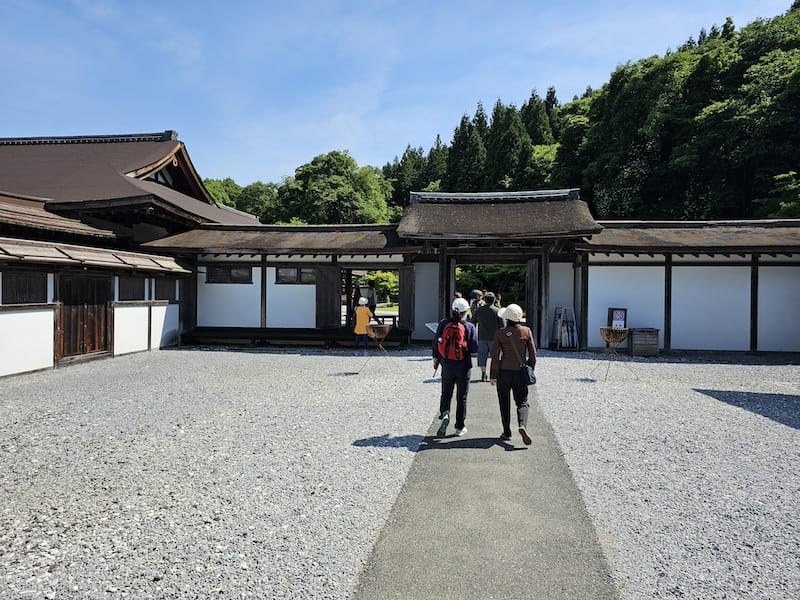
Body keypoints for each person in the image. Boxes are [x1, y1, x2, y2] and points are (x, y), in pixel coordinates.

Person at [489, 303, 536, 445]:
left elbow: (495, 355)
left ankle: (506, 432)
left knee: (504, 402)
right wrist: (530, 369)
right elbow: (533, 355)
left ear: (507, 319)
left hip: (504, 371)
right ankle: (522, 425)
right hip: (520, 372)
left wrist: (493, 375)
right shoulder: (526, 331)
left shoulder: (500, 333)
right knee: (522, 402)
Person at [432, 297, 478, 437]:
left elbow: (436, 342)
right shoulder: (469, 326)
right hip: (463, 366)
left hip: (447, 364)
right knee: (461, 397)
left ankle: (445, 414)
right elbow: (474, 348)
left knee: (446, 393)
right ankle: (459, 427)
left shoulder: (443, 323)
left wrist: (436, 359)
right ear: (466, 311)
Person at [471, 292, 503, 382]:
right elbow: (502, 326)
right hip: (494, 338)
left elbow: (472, 322)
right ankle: (494, 375)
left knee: (482, 356)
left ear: (484, 300)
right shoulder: (497, 311)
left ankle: (483, 373)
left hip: (482, 336)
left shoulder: (478, 310)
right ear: (494, 300)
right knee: (495, 356)